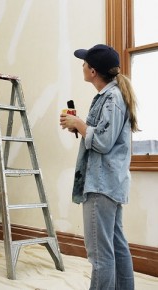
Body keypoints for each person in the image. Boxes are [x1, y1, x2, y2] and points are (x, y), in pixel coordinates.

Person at [60, 44, 139, 290]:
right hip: (109, 181)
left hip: (101, 183)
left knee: (99, 254)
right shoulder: (111, 96)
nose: (82, 66)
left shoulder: (112, 98)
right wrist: (80, 127)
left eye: (84, 63)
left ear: (93, 71)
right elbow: (105, 137)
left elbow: (103, 143)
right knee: (116, 245)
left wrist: (80, 124)